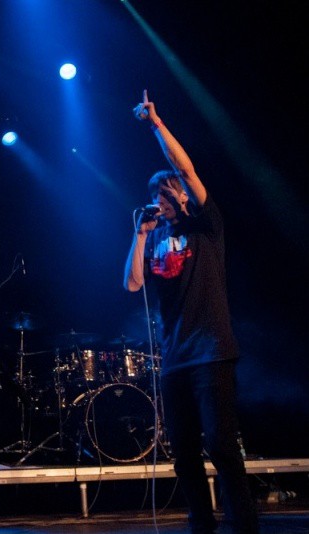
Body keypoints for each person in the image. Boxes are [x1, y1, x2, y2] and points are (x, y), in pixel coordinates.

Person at [124, 90, 258, 533]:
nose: (160, 199)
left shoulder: (206, 224)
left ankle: (243, 523)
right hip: (175, 356)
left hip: (212, 350)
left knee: (220, 444)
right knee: (183, 452)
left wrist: (156, 125)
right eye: (155, 194)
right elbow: (133, 283)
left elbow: (185, 169)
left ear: (181, 194)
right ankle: (201, 522)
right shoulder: (156, 237)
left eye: (166, 192)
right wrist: (139, 235)